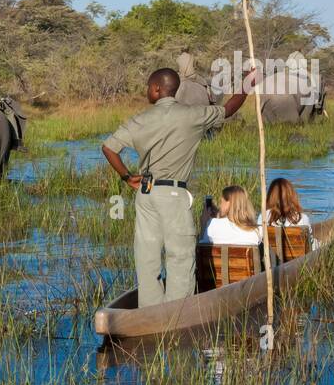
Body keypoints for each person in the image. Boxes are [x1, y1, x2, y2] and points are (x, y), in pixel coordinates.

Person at [101, 66, 252, 307]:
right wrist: (247, 84)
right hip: (173, 193)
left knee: (146, 256)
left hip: (145, 193)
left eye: (148, 87)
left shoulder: (139, 119)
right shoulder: (193, 114)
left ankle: (149, 311)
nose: (147, 91)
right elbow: (230, 108)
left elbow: (108, 148)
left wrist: (127, 176)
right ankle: (177, 312)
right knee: (180, 256)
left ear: (157, 89)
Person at [258, 177, 316, 250]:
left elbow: (259, 239)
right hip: (299, 259)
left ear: (270, 196)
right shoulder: (302, 218)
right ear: (291, 196)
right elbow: (309, 243)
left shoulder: (263, 216)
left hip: (272, 259)